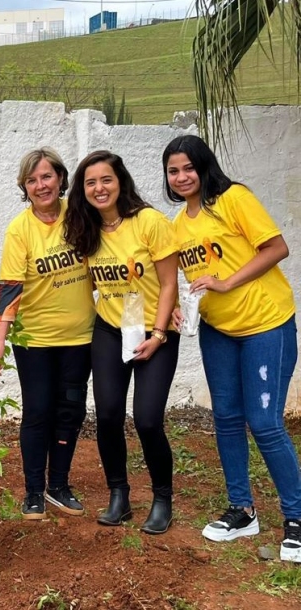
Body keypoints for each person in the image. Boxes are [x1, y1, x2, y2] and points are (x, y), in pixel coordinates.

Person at [164, 135, 301, 562]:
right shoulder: (177, 225)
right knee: (225, 418)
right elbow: (186, 276)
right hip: (218, 329)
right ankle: (242, 510)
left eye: (188, 167)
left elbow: (277, 247)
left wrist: (226, 282)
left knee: (263, 422)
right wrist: (176, 309)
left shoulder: (233, 198)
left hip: (265, 323)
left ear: (204, 167)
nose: (182, 177)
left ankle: (296, 516)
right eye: (173, 170)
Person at [64, 150, 180, 535]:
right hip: (111, 330)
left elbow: (168, 283)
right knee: (109, 415)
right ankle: (120, 495)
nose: (99, 188)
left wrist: (160, 333)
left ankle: (162, 498)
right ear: (83, 190)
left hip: (155, 333)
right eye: (90, 182)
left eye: (106, 180)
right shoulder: (88, 230)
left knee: (147, 419)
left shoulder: (149, 221)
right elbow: (91, 284)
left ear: (121, 181)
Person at [0, 148, 95, 520]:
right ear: (25, 188)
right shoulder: (20, 229)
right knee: (38, 412)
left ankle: (59, 486)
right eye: (31, 180)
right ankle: (33, 491)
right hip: (34, 340)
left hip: (80, 338)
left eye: (46, 177)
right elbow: (10, 288)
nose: (40, 185)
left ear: (61, 179)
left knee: (71, 411)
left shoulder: (80, 215)